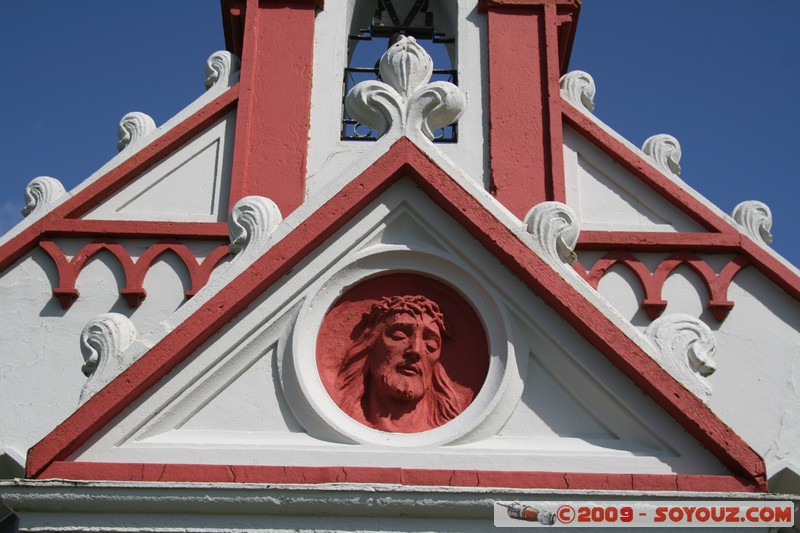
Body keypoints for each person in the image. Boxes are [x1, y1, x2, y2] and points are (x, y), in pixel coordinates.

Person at [334, 295, 472, 432]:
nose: (416, 350)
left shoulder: (448, 426)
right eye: (399, 336)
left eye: (430, 344)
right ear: (370, 344)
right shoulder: (338, 415)